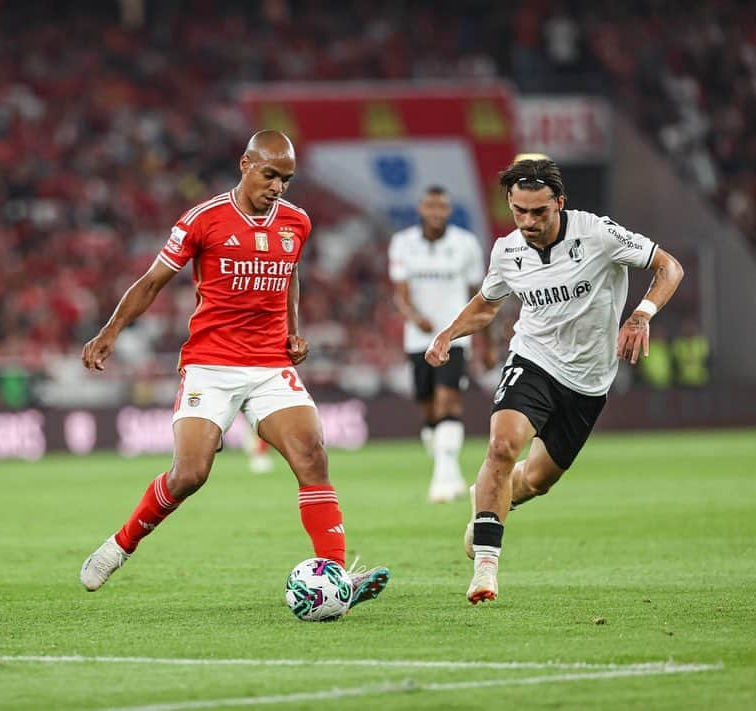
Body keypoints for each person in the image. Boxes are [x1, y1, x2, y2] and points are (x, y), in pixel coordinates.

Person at [79, 130, 390, 612]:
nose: (278, 187)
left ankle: (335, 577)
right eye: (270, 175)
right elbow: (153, 281)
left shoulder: (297, 222)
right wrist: (110, 331)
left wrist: (293, 329)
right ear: (246, 164)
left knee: (312, 453)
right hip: (210, 365)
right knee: (190, 473)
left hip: (269, 364)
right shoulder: (203, 220)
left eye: (286, 179)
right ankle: (119, 545)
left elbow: (289, 274)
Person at [425, 158, 684, 604]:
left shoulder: (600, 233)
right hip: (533, 359)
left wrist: (642, 314)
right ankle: (486, 567)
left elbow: (669, 267)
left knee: (538, 480)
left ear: (559, 203)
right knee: (502, 446)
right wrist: (450, 332)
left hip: (588, 380)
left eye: (538, 212)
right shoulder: (507, 251)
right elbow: (488, 304)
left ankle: (487, 503)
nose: (527, 221)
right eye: (519, 211)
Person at [388, 185, 494, 503]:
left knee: (449, 401)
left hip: (454, 336)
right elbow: (401, 291)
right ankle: (447, 469)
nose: (436, 213)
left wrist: (485, 343)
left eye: (442, 207)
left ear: (448, 211)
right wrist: (414, 316)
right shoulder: (403, 243)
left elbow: (481, 296)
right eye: (430, 207)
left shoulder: (465, 244)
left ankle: (442, 477)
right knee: (428, 408)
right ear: (421, 209)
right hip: (418, 339)